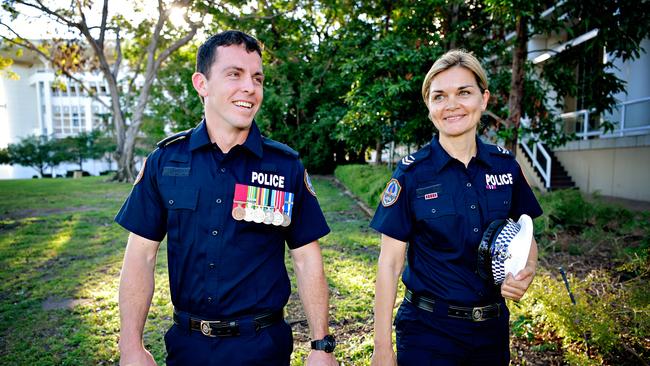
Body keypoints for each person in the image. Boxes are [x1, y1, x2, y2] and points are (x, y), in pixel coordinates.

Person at [115, 30, 338, 366]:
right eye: (234, 74)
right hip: (189, 349)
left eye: (257, 77)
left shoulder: (284, 166)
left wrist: (321, 346)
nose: (249, 87)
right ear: (202, 84)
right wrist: (130, 345)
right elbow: (140, 257)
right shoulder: (165, 162)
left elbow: (307, 258)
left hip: (264, 348)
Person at [369, 49, 543, 365]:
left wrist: (528, 266)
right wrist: (382, 348)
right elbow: (390, 263)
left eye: (464, 92)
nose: (452, 105)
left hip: (491, 333)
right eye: (439, 96)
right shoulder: (411, 174)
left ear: (484, 98)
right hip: (428, 334)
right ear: (429, 106)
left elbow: (526, 232)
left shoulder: (506, 168)